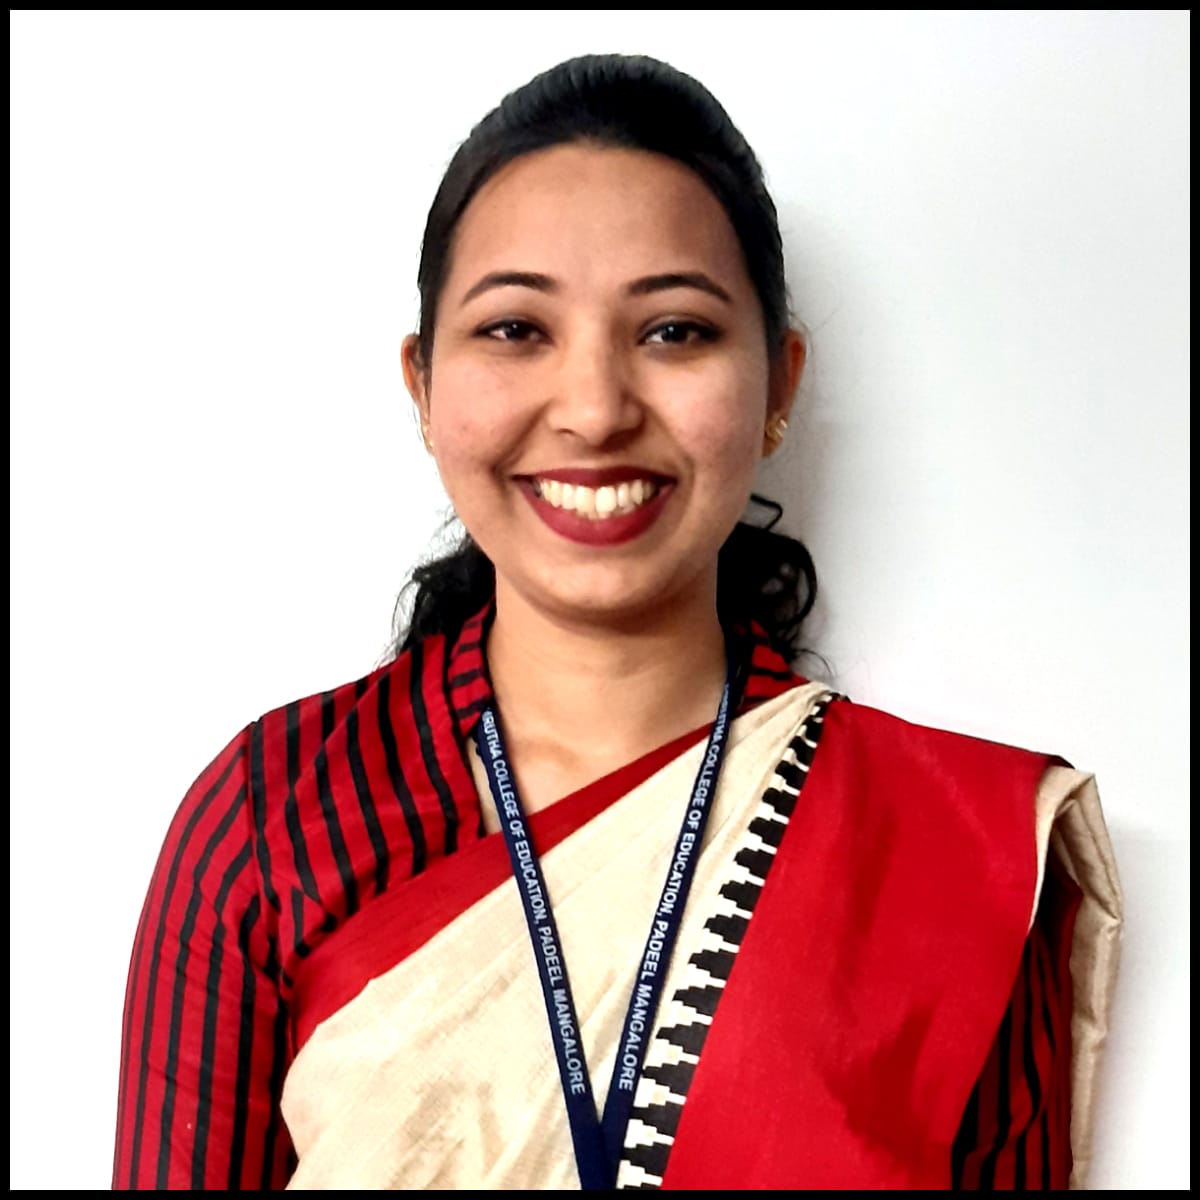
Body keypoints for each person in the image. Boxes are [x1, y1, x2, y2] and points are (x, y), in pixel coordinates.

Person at [112, 54, 1122, 1190]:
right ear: (423, 385)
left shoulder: (954, 855)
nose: (594, 410)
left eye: (674, 331)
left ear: (780, 385)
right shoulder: (273, 822)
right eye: (515, 329)